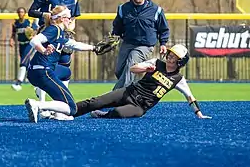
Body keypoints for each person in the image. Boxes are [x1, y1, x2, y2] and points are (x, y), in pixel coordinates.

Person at [74, 44, 212, 119]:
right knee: (95, 102)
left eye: (175, 56)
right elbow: (133, 69)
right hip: (129, 92)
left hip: (140, 107)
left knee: (118, 113)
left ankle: (103, 115)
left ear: (180, 61)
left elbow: (190, 97)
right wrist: (145, 68)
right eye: (171, 54)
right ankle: (70, 111)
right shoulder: (156, 63)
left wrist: (199, 114)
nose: (170, 56)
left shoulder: (179, 79)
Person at [24, 5, 100, 123]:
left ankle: (58, 111)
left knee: (66, 72)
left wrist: (95, 48)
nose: (70, 20)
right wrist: (44, 50)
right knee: (72, 108)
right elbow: (34, 41)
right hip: (43, 71)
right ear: (62, 18)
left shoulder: (59, 32)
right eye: (69, 18)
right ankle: (38, 105)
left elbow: (74, 44)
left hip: (37, 72)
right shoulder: (54, 29)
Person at [28, 0, 82, 102]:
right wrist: (44, 15)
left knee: (64, 69)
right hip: (48, 36)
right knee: (46, 67)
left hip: (63, 39)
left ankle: (60, 105)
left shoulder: (74, 0)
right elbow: (31, 11)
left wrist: (68, 32)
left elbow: (73, 20)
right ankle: (41, 104)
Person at [111, 0, 170, 91]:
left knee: (131, 65)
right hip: (128, 43)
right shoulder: (123, 9)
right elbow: (117, 26)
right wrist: (114, 36)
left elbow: (163, 28)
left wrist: (163, 43)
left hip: (145, 45)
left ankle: (115, 96)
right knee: (119, 70)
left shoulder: (156, 10)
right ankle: (135, 91)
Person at [10, 7, 38, 91]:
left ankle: (19, 82)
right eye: (19, 12)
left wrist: (33, 34)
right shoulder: (16, 23)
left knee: (23, 62)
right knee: (27, 63)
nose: (20, 13)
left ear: (25, 13)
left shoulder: (29, 22)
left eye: (22, 12)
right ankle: (35, 81)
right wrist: (11, 40)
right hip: (21, 45)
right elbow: (13, 33)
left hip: (29, 44)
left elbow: (36, 29)